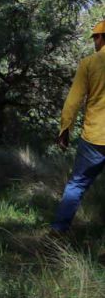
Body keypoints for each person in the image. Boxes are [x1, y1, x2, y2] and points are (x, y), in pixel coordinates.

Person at [51, 21, 105, 233]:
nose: (94, 42)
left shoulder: (89, 63)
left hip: (94, 138)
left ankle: (58, 230)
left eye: (95, 37)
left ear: (101, 37)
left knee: (77, 184)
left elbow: (73, 100)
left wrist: (65, 129)